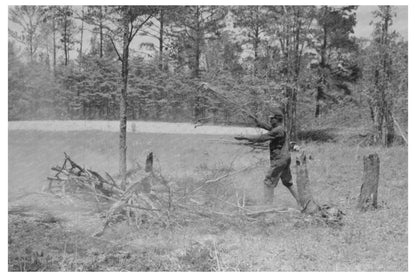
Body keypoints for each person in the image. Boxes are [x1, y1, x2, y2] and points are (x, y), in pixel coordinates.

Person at [235, 107, 300, 206]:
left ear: (277, 119)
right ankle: (302, 202)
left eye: (271, 118)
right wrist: (253, 118)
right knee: (288, 182)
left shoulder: (278, 130)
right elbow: (264, 126)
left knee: (268, 182)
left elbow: (262, 138)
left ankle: (267, 207)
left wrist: (245, 137)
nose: (270, 120)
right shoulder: (279, 128)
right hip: (285, 159)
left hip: (279, 160)